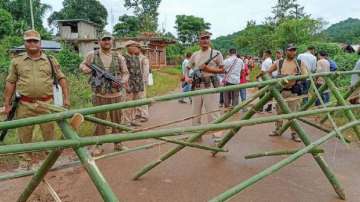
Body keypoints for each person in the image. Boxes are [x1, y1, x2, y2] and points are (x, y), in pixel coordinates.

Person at [4, 30, 70, 170]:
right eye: (29, 41)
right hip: (24, 104)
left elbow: (61, 78)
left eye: (35, 41)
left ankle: (49, 160)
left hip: (46, 104)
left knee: (48, 132)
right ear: (25, 43)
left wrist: (66, 99)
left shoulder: (50, 60)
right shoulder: (17, 61)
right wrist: (7, 103)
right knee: (24, 134)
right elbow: (10, 82)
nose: (32, 43)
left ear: (40, 43)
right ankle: (25, 161)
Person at [80, 32, 129, 156]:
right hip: (99, 95)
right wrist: (85, 69)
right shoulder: (92, 55)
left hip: (115, 95)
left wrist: (121, 82)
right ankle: (99, 144)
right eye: (104, 39)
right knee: (100, 121)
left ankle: (118, 143)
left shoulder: (119, 57)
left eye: (109, 39)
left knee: (116, 120)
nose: (107, 42)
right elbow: (83, 64)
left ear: (112, 41)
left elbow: (125, 73)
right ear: (99, 41)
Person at [185, 31, 225, 141]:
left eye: (207, 38)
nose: (205, 40)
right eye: (203, 38)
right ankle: (196, 134)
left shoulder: (216, 53)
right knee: (195, 112)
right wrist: (187, 77)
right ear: (199, 41)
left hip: (210, 85)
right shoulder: (195, 54)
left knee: (213, 112)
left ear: (210, 40)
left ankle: (217, 136)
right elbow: (187, 67)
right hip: (197, 86)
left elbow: (222, 69)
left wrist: (209, 69)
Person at [267, 44, 308, 142]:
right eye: (290, 50)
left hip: (293, 91)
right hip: (281, 91)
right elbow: (268, 72)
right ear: (286, 51)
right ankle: (278, 130)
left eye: (294, 50)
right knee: (279, 112)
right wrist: (272, 81)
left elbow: (305, 76)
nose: (293, 52)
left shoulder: (299, 62)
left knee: (293, 114)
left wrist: (294, 77)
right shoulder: (279, 62)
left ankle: (294, 133)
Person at [123, 40, 148, 126]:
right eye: (135, 47)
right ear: (129, 47)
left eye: (137, 47)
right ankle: (126, 122)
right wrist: (126, 85)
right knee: (128, 104)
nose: (136, 48)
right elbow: (123, 73)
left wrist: (142, 84)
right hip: (129, 85)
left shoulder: (137, 57)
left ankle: (132, 120)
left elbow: (140, 73)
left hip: (137, 85)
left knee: (135, 104)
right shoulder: (124, 58)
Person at [136, 46, 150, 121]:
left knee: (142, 98)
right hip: (136, 81)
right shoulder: (135, 57)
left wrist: (143, 82)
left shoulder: (144, 58)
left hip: (141, 81)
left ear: (139, 49)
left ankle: (145, 115)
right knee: (137, 98)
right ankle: (138, 113)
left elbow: (146, 72)